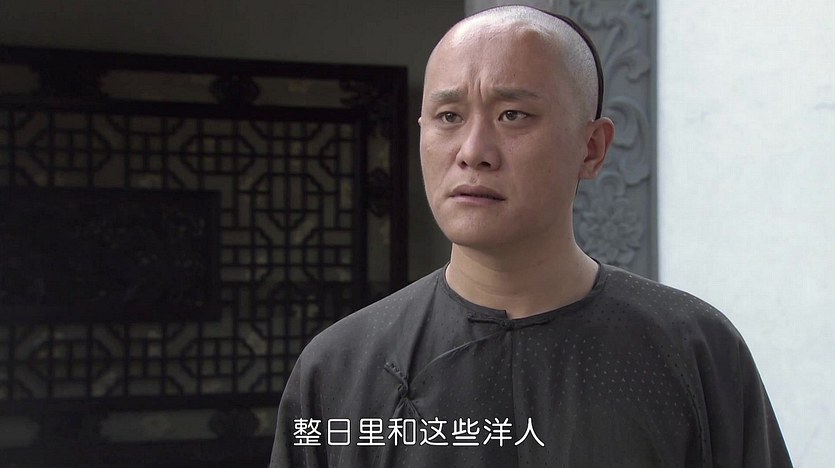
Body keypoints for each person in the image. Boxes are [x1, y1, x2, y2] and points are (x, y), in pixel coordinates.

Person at [270, 5, 792, 467]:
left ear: (592, 148)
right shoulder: (341, 366)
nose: (473, 152)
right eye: (449, 116)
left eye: (512, 115)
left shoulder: (695, 351)